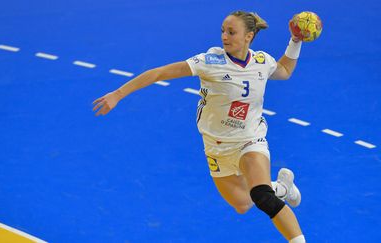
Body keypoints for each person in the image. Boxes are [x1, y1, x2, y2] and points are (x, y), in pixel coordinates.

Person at [93, 10, 306, 243]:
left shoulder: (262, 61)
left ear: (249, 36)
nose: (224, 36)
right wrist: (118, 94)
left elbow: (284, 71)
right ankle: (282, 188)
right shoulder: (210, 61)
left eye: (232, 32)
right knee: (243, 204)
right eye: (223, 31)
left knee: (262, 197)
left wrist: (295, 41)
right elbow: (160, 73)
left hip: (249, 140)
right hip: (215, 147)